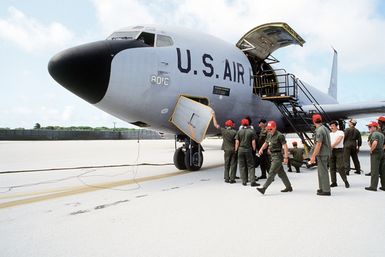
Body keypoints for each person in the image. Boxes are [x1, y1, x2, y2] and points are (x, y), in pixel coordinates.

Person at [256, 121, 293, 194]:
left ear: (275, 127)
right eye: (268, 129)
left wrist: (286, 157)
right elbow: (266, 143)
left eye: (271, 129)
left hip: (278, 156)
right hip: (272, 156)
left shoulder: (279, 135)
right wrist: (261, 149)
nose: (269, 130)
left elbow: (285, 146)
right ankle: (289, 187)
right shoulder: (269, 134)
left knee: (271, 172)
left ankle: (264, 188)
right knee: (281, 173)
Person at [212, 111, 237, 183]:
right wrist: (236, 149)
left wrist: (213, 116)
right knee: (233, 164)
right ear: (232, 125)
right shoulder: (234, 132)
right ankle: (232, 179)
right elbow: (236, 141)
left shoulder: (223, 131)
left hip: (226, 150)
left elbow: (215, 125)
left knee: (227, 164)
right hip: (233, 149)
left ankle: (226, 178)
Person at [309, 114, 332, 196]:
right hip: (324, 152)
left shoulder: (319, 130)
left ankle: (326, 190)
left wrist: (313, 156)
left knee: (323, 172)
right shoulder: (325, 128)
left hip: (322, 153)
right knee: (321, 172)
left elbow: (318, 144)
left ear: (313, 121)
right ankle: (322, 187)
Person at [235, 119, 259, 187]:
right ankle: (252, 181)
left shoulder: (239, 132)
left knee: (242, 166)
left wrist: (236, 150)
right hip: (248, 150)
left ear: (242, 124)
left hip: (240, 150)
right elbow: (253, 142)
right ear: (248, 124)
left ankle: (244, 181)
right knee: (251, 166)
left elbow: (237, 142)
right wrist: (254, 150)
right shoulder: (251, 131)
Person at [365, 121, 385, 191]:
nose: (369, 128)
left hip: (376, 153)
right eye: (368, 127)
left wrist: (371, 150)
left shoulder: (374, 134)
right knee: (383, 170)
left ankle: (373, 186)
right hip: (382, 153)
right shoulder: (381, 134)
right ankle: (384, 186)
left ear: (375, 127)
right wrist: (381, 149)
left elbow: (375, 142)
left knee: (374, 170)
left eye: (370, 127)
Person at [329, 120, 350, 188]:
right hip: (331, 151)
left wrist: (331, 146)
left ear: (336, 126)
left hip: (339, 151)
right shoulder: (330, 134)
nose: (331, 127)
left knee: (340, 167)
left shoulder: (340, 132)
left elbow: (338, 140)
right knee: (332, 167)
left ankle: (345, 181)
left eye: (333, 126)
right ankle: (334, 182)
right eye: (330, 126)